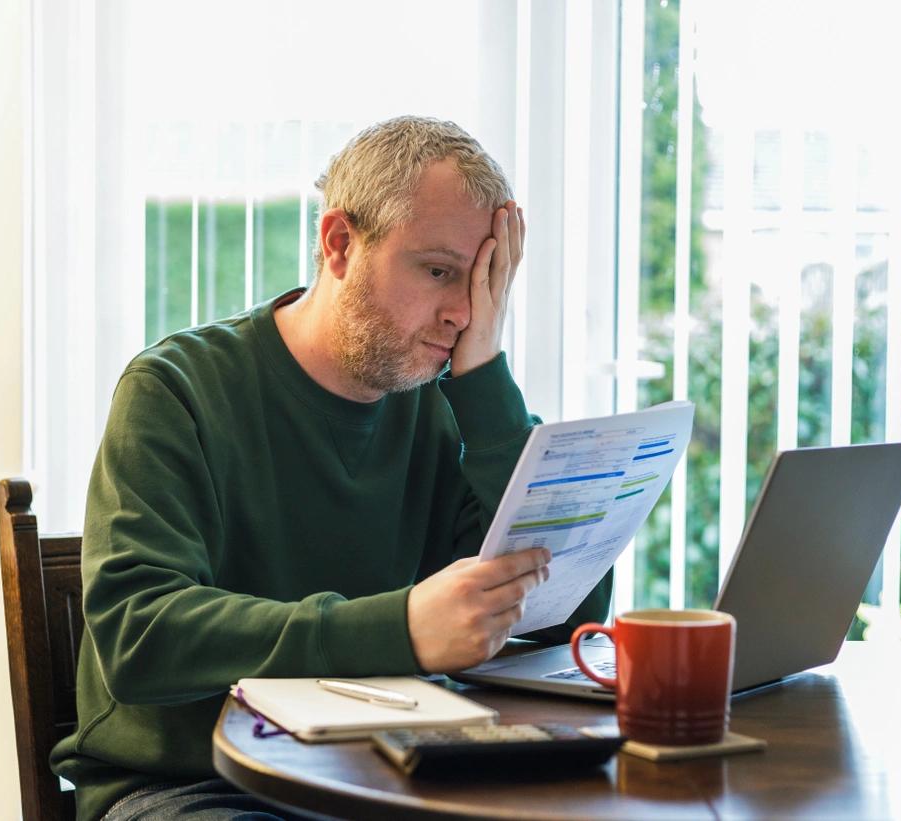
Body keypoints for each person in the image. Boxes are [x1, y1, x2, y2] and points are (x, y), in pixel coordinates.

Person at [51, 115, 612, 820]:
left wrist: (485, 378)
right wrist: (400, 628)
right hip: (198, 784)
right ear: (340, 243)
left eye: (483, 282)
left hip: (392, 772)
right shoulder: (175, 389)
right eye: (439, 271)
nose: (463, 312)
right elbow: (139, 633)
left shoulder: (445, 401)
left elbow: (570, 614)